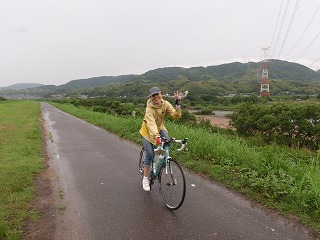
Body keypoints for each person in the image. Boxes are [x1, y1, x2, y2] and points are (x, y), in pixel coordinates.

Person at [139, 87, 182, 191]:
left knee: (167, 142)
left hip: (160, 128)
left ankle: (159, 161)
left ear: (161, 94)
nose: (156, 97)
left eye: (157, 94)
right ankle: (145, 178)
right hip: (147, 132)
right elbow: (151, 123)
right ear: (151, 97)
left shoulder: (165, 104)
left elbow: (176, 116)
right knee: (149, 154)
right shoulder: (149, 108)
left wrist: (178, 104)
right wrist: (157, 137)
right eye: (153, 95)